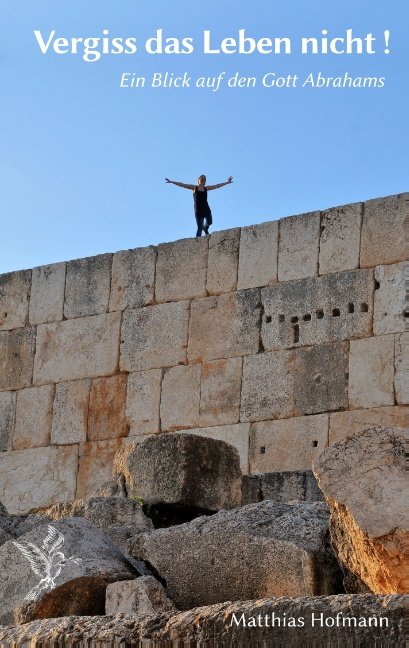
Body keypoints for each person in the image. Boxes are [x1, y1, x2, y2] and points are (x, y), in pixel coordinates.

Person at [165, 174, 233, 237]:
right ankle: (198, 242)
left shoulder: (206, 188)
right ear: (198, 180)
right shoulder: (194, 188)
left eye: (204, 179)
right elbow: (183, 185)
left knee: (210, 222)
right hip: (198, 210)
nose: (203, 179)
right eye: (202, 178)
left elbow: (217, 186)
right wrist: (172, 182)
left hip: (206, 208)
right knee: (199, 228)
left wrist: (227, 182)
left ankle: (205, 228)